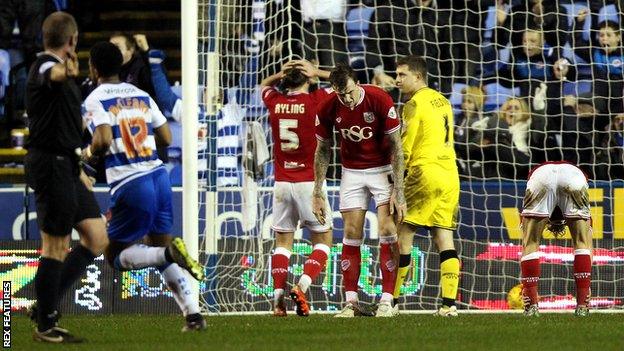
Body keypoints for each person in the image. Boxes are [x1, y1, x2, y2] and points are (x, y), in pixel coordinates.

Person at [81, 41, 206, 331]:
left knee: (114, 256)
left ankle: (168, 255)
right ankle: (194, 315)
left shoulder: (94, 99)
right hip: (159, 176)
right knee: (160, 244)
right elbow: (164, 136)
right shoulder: (140, 94)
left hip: (130, 181)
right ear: (121, 66)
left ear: (93, 68)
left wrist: (87, 155)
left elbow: (100, 139)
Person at [24, 12, 108, 343]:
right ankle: (45, 323)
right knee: (56, 245)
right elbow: (53, 74)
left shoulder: (65, 80)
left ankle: (44, 304)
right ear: (72, 41)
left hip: (68, 166)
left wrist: (82, 165)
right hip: (50, 164)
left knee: (97, 236)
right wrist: (65, 70)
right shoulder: (43, 67)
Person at [314, 64, 406, 318]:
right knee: (352, 232)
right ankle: (350, 301)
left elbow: (397, 147)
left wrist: (399, 189)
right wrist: (317, 191)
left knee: (387, 229)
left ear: (358, 83)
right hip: (351, 172)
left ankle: (387, 300)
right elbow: (322, 149)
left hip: (382, 169)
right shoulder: (328, 106)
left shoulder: (379, 98)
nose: (347, 99)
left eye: (350, 93)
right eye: (341, 94)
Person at [260, 59, 333, 317]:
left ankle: (278, 301)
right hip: (309, 185)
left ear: (284, 81)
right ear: (308, 79)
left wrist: (278, 74)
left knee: (282, 243)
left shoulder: (274, 102)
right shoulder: (316, 100)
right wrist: (318, 71)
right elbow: (345, 83)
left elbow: (263, 86)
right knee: (324, 240)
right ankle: (301, 286)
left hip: (281, 183)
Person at [393, 55, 460, 316]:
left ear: (418, 77)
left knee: (404, 233)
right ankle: (449, 305)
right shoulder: (442, 100)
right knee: (444, 236)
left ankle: (393, 301)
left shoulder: (412, 105)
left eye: (402, 75)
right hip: (450, 174)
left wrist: (396, 181)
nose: (397, 80)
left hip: (424, 172)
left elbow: (405, 148)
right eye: (396, 75)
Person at [520, 162, 592, 317]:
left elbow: (525, 245)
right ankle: (582, 306)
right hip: (574, 176)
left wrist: (526, 286)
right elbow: (588, 246)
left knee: (531, 242)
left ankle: (531, 307)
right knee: (582, 242)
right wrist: (586, 286)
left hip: (541, 176)